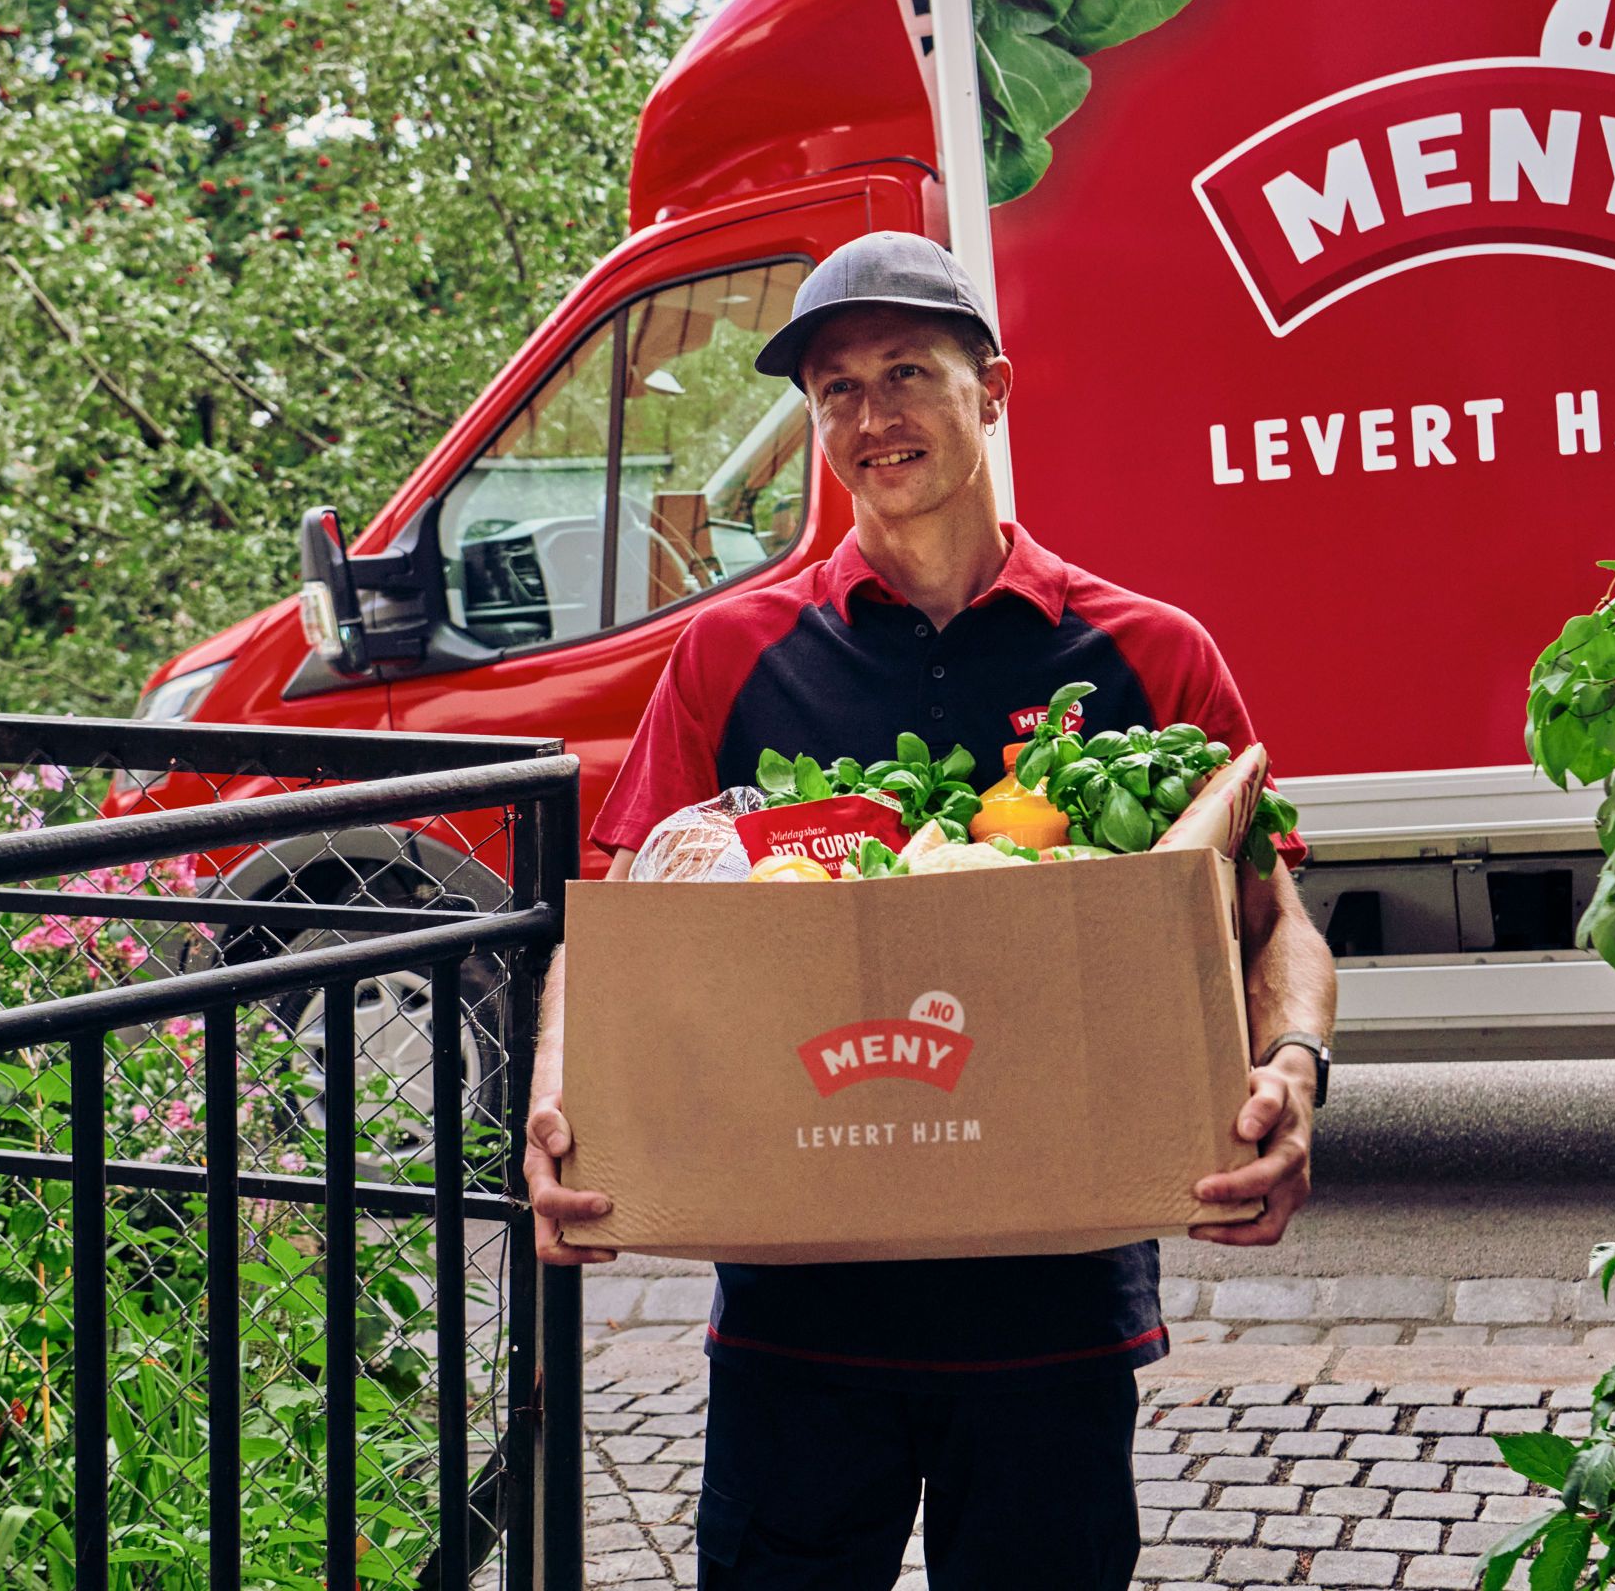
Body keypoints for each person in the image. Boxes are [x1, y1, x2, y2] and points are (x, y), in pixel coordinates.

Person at [521, 231, 1338, 1591]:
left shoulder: (1147, 653)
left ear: (994, 390)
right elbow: (616, 927)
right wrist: (564, 1107)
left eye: (908, 370)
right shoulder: (734, 655)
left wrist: (1294, 1076)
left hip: (1055, 1307)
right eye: (834, 389)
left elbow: (1275, 921)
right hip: (799, 1313)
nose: (870, 415)